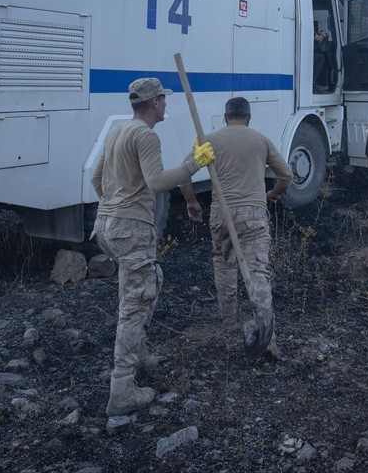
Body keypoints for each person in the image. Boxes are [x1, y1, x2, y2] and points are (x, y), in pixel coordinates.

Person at [90, 77, 215, 416]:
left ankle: (140, 355)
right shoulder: (146, 136)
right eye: (163, 99)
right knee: (136, 302)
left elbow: (95, 179)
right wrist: (196, 163)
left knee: (138, 288)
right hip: (132, 229)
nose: (166, 104)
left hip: (107, 225)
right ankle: (122, 390)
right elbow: (157, 182)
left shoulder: (118, 130)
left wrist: (114, 206)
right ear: (155, 102)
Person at [180, 96, 292, 358]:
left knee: (224, 265)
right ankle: (266, 335)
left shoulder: (209, 140)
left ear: (225, 117)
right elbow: (286, 175)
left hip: (222, 213)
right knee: (257, 272)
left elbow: (184, 175)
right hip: (253, 213)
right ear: (249, 117)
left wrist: (192, 201)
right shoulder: (260, 140)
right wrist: (273, 193)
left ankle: (229, 325)